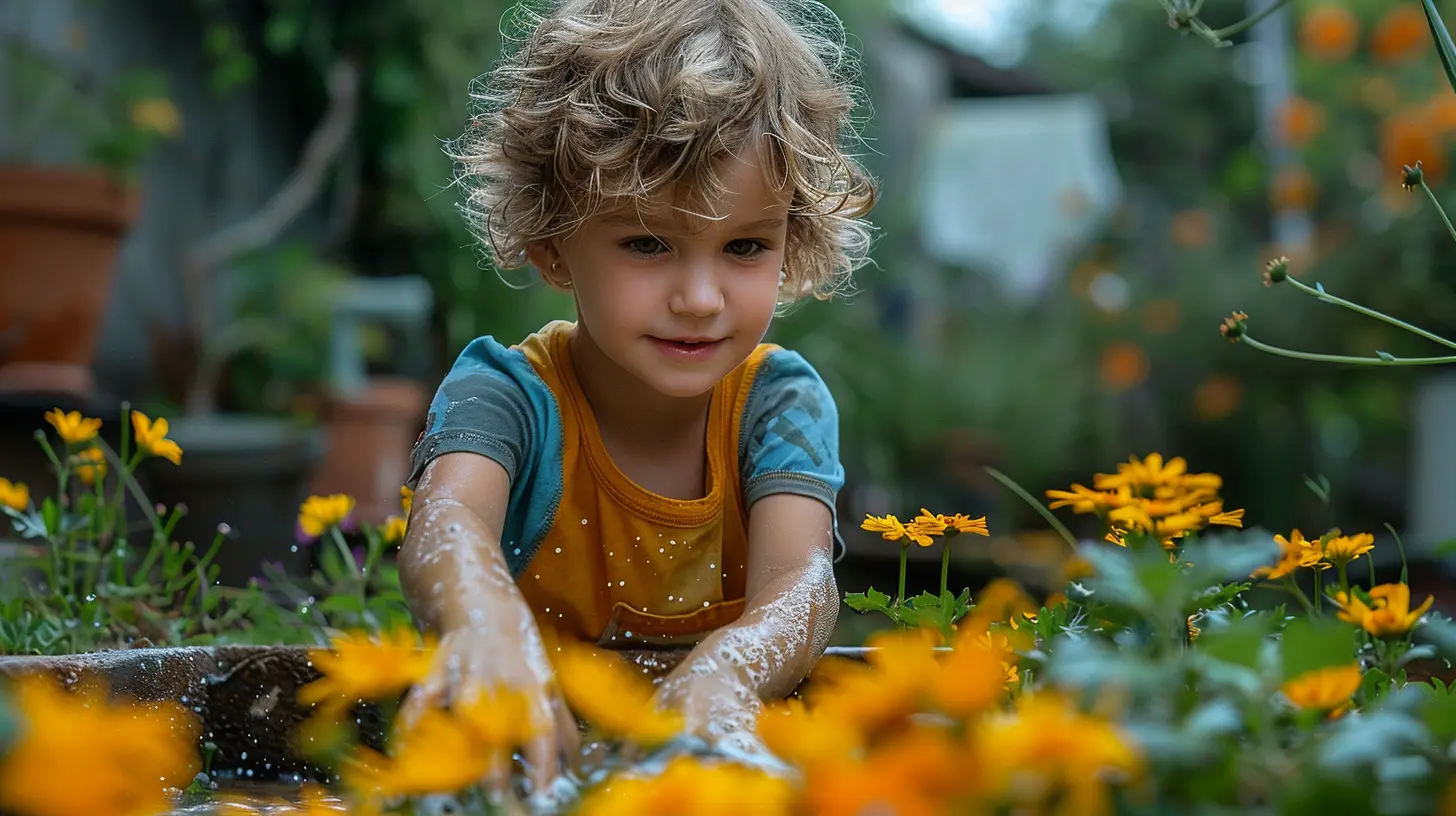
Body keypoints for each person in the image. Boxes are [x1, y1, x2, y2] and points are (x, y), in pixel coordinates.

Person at [396, 0, 876, 796]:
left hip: (707, 777)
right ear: (553, 240)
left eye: (745, 246)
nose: (699, 296)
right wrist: (482, 616)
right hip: (525, 772)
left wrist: (723, 676)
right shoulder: (510, 395)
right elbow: (447, 523)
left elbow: (802, 581)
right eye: (649, 243)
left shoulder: (775, 403)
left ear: (794, 239)